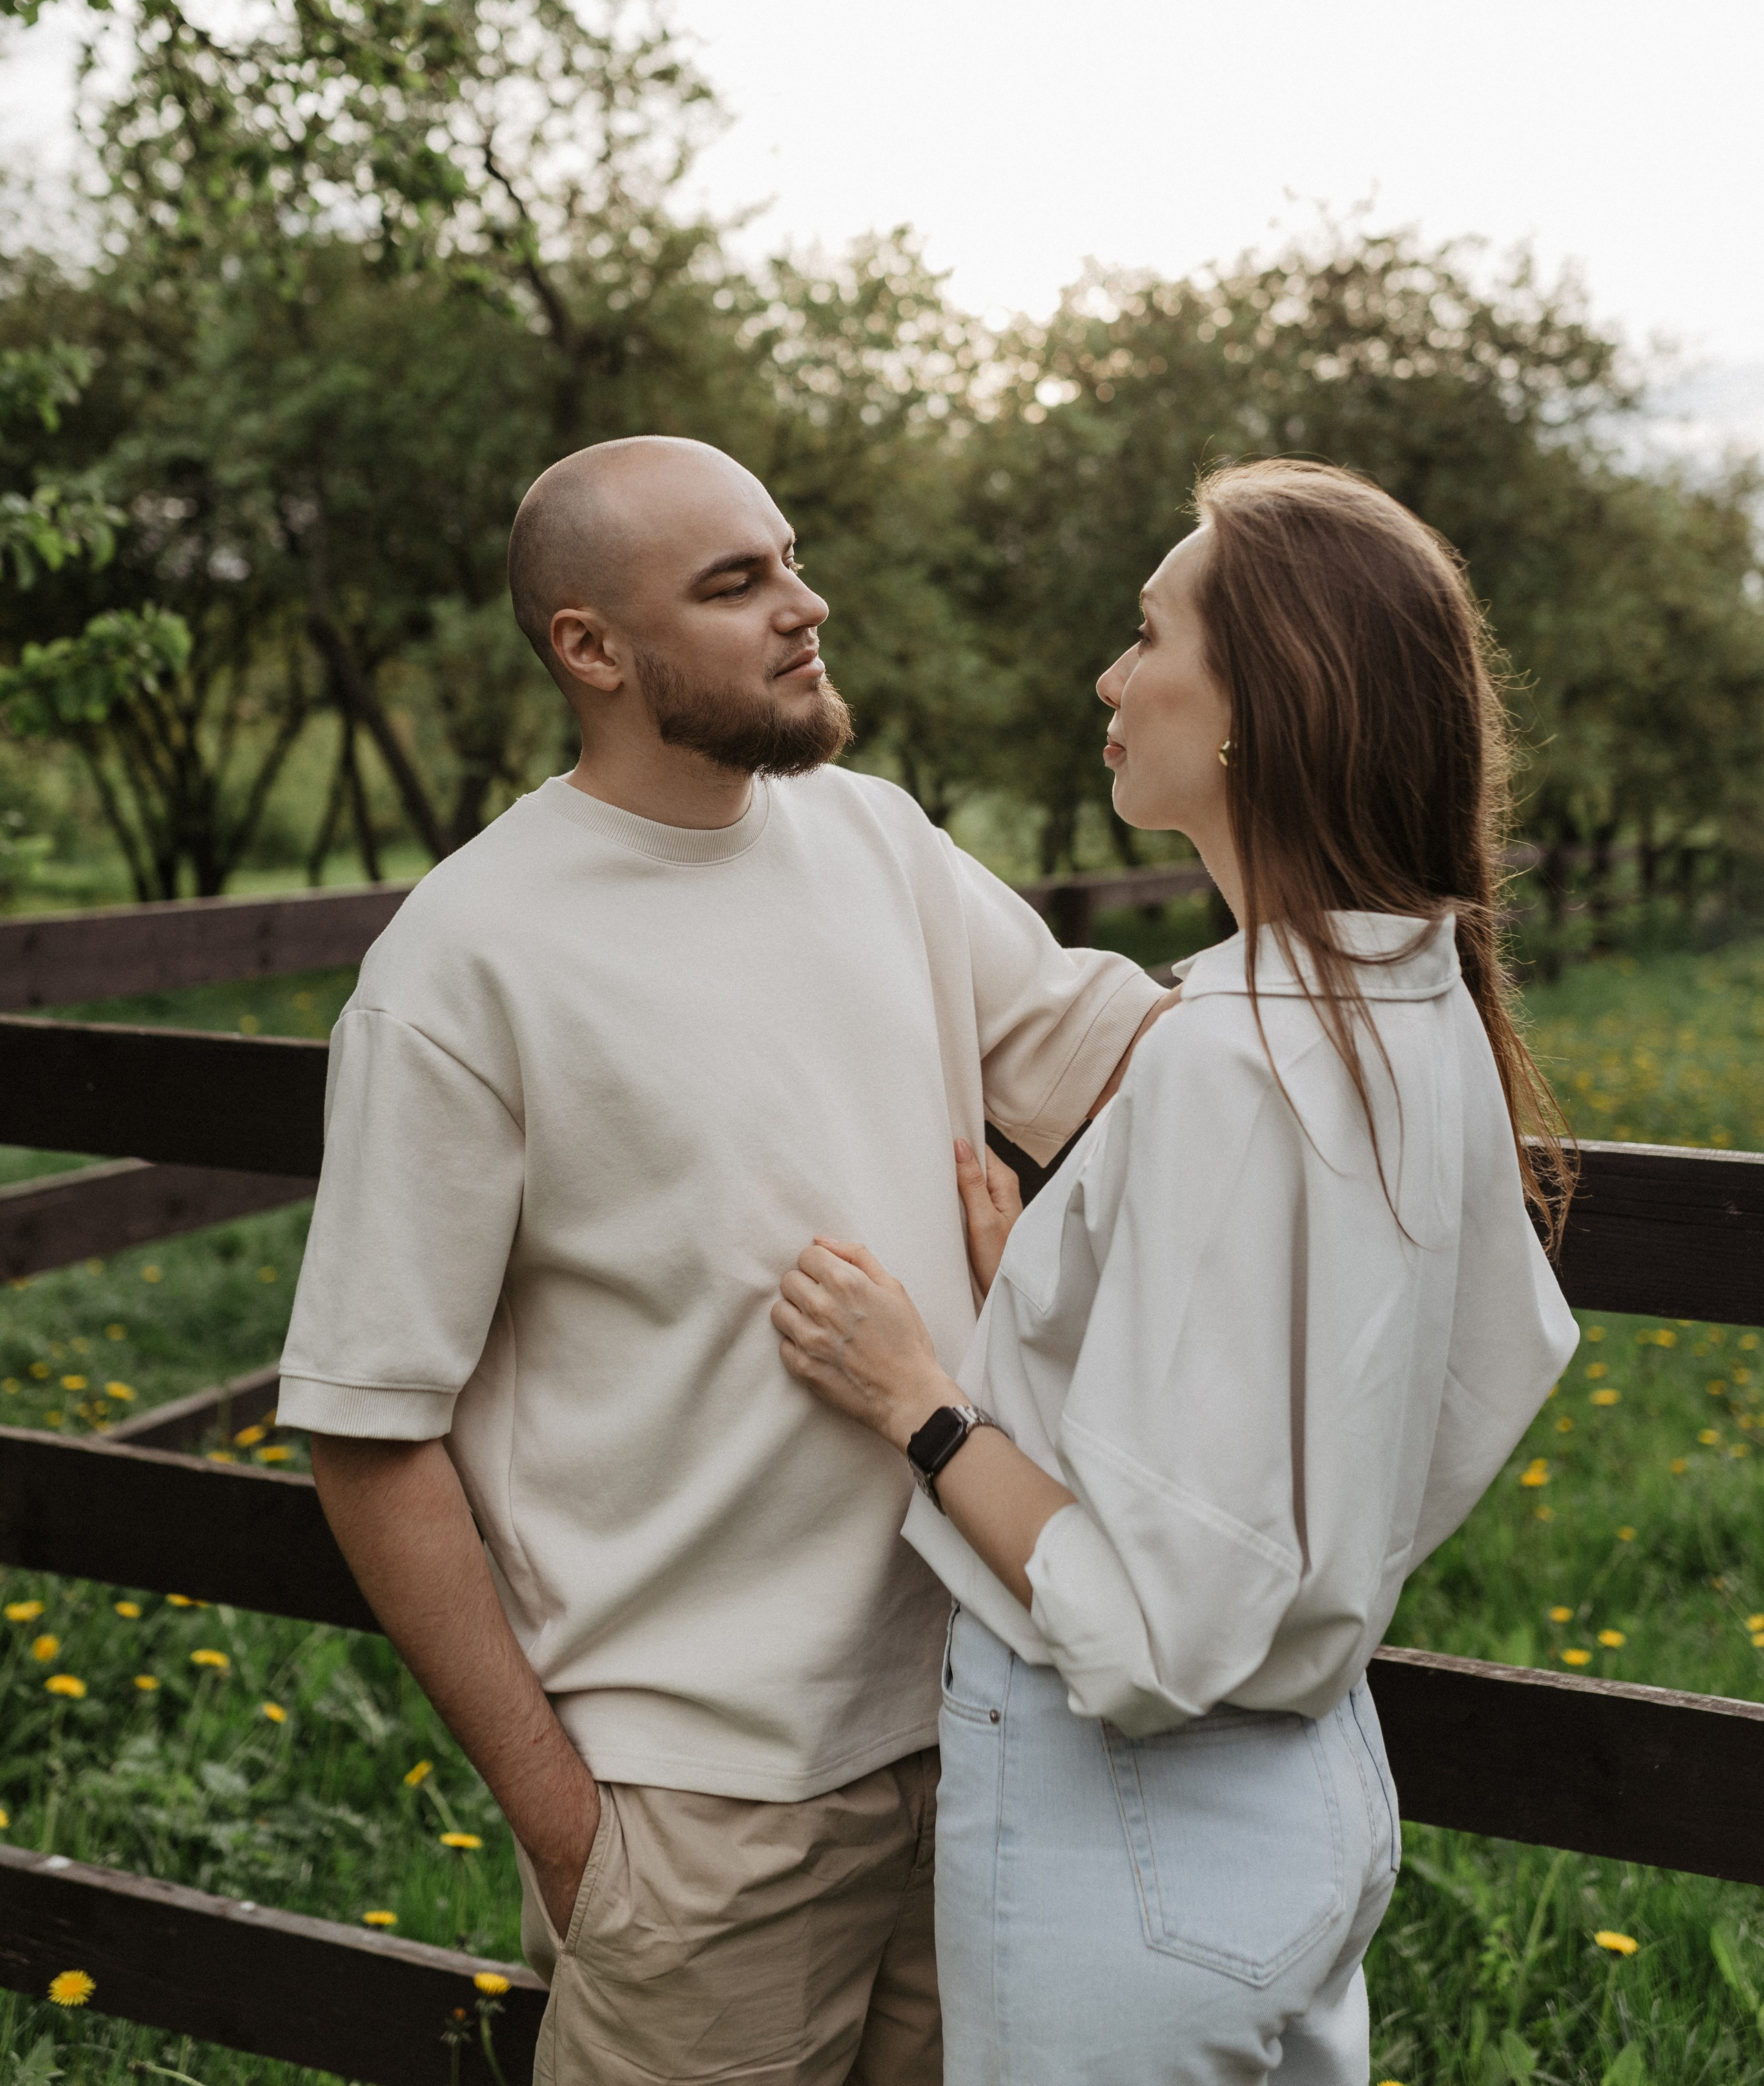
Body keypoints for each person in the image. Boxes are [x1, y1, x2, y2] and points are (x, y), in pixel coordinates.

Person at [277, 434, 1173, 2086]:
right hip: (700, 1816)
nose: (804, 607)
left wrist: (1384, 980)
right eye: (735, 582)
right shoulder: (466, 965)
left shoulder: (876, 838)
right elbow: (366, 1430)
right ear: (590, 648)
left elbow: (1137, 1064)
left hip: (986, 1731)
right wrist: (570, 1832)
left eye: (790, 557)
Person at [770, 457, 1579, 2086]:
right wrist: (1056, 1317)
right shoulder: (1413, 1004)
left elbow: (1156, 1627)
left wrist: (923, 1402)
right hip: (1314, 1801)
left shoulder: (1228, 1058)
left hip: (1128, 1844)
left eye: (1148, 633)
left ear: (1256, 710)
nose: (1108, 676)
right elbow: (1455, 1372)